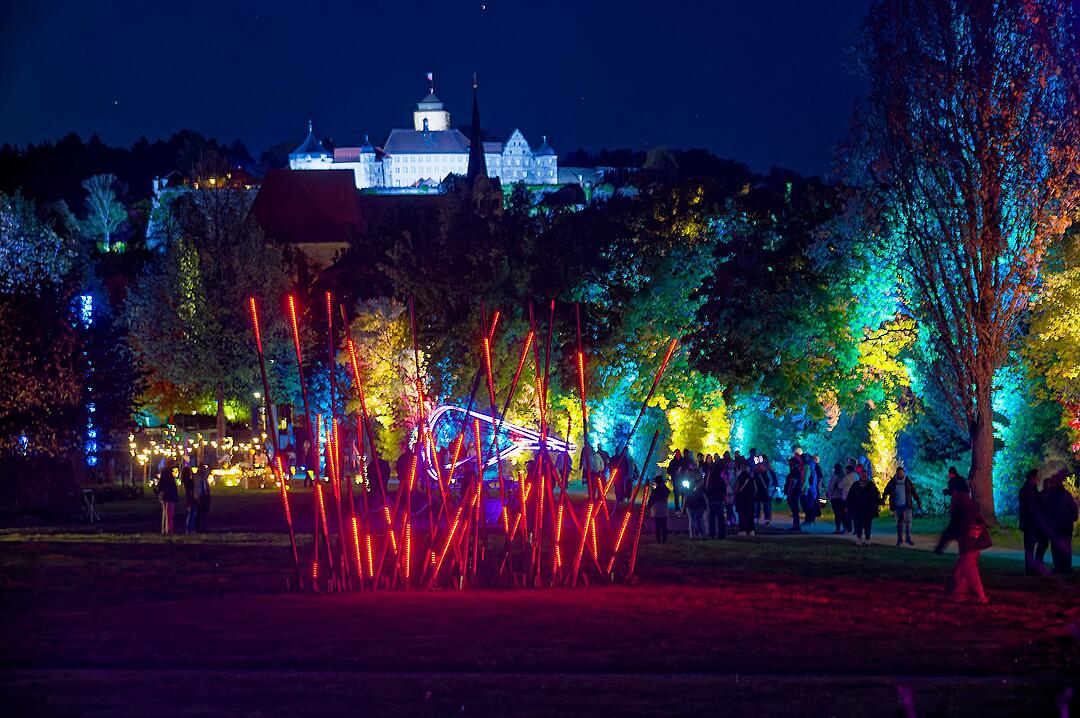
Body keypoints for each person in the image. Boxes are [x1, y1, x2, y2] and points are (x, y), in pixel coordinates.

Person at [934, 479, 991, 603]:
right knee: (959, 570)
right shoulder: (966, 501)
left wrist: (942, 544)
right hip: (973, 540)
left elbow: (954, 524)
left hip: (968, 542)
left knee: (970, 570)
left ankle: (981, 597)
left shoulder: (960, 502)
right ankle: (955, 593)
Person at [1042, 470, 1077, 575]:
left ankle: (1064, 567)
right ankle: (1062, 567)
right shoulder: (1059, 495)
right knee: (1059, 548)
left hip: (1061, 525)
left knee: (1061, 547)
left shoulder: (1060, 495)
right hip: (1059, 525)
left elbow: (1072, 508)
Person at [1018, 468, 1050, 575]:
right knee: (1036, 545)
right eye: (1036, 477)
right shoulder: (1030, 490)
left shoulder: (1027, 489)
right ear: (1032, 478)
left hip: (1030, 523)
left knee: (1032, 546)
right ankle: (1034, 567)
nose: (1038, 479)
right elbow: (1034, 507)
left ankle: (1033, 567)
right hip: (1032, 524)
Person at [881, 467, 922, 546]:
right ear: (896, 473)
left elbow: (914, 492)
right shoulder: (893, 482)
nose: (900, 474)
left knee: (908, 523)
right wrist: (883, 500)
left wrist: (918, 502)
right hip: (897, 506)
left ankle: (908, 539)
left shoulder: (907, 482)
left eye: (901, 473)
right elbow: (886, 491)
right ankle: (900, 540)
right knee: (899, 524)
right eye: (899, 473)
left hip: (906, 506)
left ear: (903, 473)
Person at [846, 467, 880, 546]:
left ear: (867, 476)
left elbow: (875, 496)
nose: (863, 477)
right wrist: (848, 506)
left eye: (865, 475)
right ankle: (859, 539)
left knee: (868, 524)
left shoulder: (871, 485)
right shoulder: (856, 485)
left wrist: (877, 504)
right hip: (858, 509)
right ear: (860, 476)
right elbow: (850, 496)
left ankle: (867, 539)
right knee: (858, 524)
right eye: (862, 475)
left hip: (868, 509)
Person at [704, 457, 728, 540]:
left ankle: (712, 534)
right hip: (720, 500)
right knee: (721, 518)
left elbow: (707, 489)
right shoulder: (721, 480)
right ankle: (722, 534)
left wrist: (708, 496)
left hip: (712, 500)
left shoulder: (710, 480)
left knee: (712, 519)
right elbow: (724, 490)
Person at [156, 460, 179, 535]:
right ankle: (169, 529)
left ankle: (164, 529)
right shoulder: (167, 473)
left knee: (166, 513)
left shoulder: (165, 472)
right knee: (169, 513)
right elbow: (165, 485)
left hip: (165, 495)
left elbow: (160, 484)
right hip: (168, 495)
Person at [648, 475, 670, 544]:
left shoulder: (655, 490)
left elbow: (651, 499)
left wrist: (649, 506)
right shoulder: (665, 490)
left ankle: (658, 540)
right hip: (663, 508)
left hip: (656, 509)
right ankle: (664, 540)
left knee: (657, 526)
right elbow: (668, 491)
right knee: (664, 526)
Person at [735, 466, 757, 536]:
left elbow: (736, 489)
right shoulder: (752, 479)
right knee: (750, 516)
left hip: (742, 500)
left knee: (742, 516)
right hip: (750, 500)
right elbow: (756, 489)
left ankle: (743, 530)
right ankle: (751, 530)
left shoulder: (740, 479)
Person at [784, 456, 804, 531]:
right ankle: (796, 525)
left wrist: (789, 492)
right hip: (794, 492)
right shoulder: (794, 471)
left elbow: (793, 482)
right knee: (794, 509)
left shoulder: (795, 471)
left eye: (790, 462)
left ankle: (796, 526)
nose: (789, 463)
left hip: (794, 493)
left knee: (795, 509)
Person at [826, 463, 847, 535]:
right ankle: (844, 528)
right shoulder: (845, 477)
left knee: (837, 514)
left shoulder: (835, 477)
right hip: (842, 498)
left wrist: (829, 495)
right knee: (842, 513)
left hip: (835, 497)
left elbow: (831, 487)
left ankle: (838, 528)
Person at [194, 462, 212, 532]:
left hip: (204, 496)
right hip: (201, 495)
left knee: (203, 513)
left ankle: (202, 527)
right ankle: (199, 527)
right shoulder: (199, 477)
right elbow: (197, 487)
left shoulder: (203, 477)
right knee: (200, 513)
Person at [181, 459, 197, 534]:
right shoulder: (188, 482)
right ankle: (190, 528)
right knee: (192, 513)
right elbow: (191, 489)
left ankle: (190, 527)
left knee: (191, 513)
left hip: (189, 498)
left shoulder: (185, 481)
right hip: (191, 498)